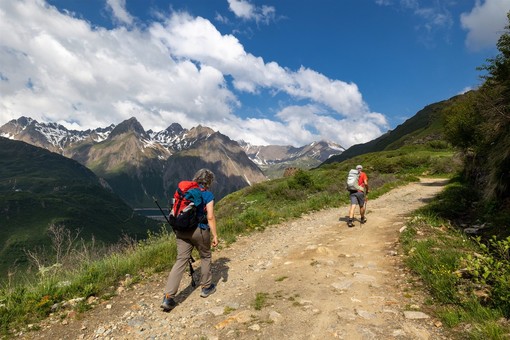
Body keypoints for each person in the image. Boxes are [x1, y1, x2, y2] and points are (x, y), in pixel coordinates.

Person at [161, 168, 219, 312]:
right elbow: (210, 216)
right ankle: (206, 287)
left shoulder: (184, 191)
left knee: (181, 260)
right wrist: (215, 235)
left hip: (181, 230)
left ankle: (168, 297)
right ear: (209, 181)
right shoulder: (207, 194)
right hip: (199, 230)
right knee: (205, 256)